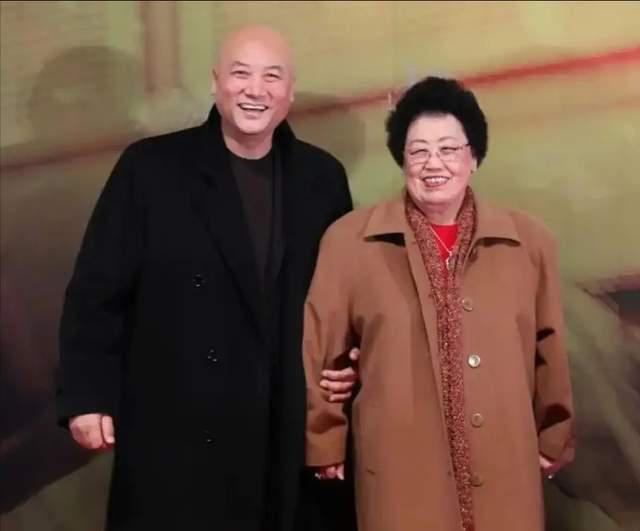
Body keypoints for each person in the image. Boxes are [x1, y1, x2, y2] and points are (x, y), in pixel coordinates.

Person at [57, 25, 357, 531]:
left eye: (272, 77)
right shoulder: (150, 169)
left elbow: (341, 297)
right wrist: (86, 397)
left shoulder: (321, 177)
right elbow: (96, 292)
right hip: (176, 422)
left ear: (290, 91)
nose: (255, 90)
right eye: (241, 74)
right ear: (216, 82)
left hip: (283, 424)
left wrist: (346, 364)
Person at [303, 76, 575, 531]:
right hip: (398, 465)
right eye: (418, 151)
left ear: (474, 156)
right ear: (401, 159)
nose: (434, 163)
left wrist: (555, 435)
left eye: (449, 149)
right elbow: (320, 350)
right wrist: (325, 438)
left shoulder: (529, 242)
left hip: (505, 462)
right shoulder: (349, 241)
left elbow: (549, 349)